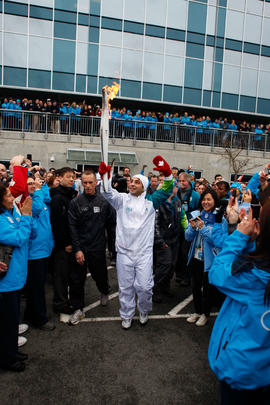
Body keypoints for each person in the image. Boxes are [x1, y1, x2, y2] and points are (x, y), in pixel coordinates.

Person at [99, 155, 173, 329]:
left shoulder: (150, 202)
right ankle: (126, 314)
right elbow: (107, 192)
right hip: (124, 252)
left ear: (144, 187)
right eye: (131, 181)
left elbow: (168, 189)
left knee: (145, 287)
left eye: (136, 182)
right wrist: (105, 177)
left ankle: (144, 310)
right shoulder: (122, 200)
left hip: (143, 254)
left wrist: (167, 173)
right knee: (125, 287)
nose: (131, 184)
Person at [208, 204, 270, 404]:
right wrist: (254, 241)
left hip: (243, 371)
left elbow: (218, 273)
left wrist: (240, 236)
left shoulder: (255, 277)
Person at [68, 170, 116, 325]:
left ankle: (104, 290)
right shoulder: (75, 203)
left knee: (100, 276)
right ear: (81, 183)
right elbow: (72, 228)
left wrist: (112, 250)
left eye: (90, 182)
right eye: (85, 183)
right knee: (77, 280)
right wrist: (77, 249)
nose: (88, 186)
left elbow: (111, 227)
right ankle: (78, 308)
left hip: (98, 249)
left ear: (96, 182)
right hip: (81, 249)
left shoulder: (104, 203)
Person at [0, 184, 32, 372]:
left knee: (12, 320)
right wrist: (26, 216)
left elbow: (26, 232)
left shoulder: (10, 213)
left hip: (16, 276)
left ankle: (11, 350)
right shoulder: (1, 220)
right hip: (6, 282)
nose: (12, 197)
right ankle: (7, 358)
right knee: (5, 323)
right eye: (8, 195)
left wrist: (24, 216)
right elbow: (20, 237)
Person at [185, 189, 225, 326]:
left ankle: (205, 314)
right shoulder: (197, 214)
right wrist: (191, 227)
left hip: (209, 260)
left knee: (207, 289)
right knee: (195, 286)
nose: (206, 202)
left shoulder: (219, 218)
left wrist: (203, 229)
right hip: (195, 257)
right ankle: (197, 311)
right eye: (204, 199)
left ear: (215, 201)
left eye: (209, 199)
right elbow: (187, 237)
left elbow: (217, 241)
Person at [23, 175, 55, 331]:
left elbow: (47, 197)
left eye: (33, 183)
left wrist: (40, 189)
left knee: (36, 286)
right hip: (34, 253)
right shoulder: (27, 201)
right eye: (28, 184)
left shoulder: (38, 197)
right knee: (36, 288)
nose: (32, 186)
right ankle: (40, 319)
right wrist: (37, 191)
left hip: (43, 250)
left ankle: (30, 315)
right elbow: (36, 208)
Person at [50, 167, 77, 316]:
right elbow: (57, 223)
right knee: (60, 276)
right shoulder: (58, 197)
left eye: (73, 177)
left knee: (68, 274)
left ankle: (65, 300)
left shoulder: (70, 194)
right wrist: (65, 243)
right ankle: (60, 303)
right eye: (68, 177)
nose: (72, 179)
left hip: (72, 241)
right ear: (59, 178)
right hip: (63, 245)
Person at [153, 185, 187, 303]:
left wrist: (187, 229)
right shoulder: (159, 202)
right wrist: (159, 240)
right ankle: (156, 289)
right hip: (163, 240)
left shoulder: (177, 201)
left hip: (175, 239)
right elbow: (155, 223)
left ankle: (165, 287)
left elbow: (182, 216)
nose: (175, 188)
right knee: (164, 265)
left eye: (176, 186)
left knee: (172, 265)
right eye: (173, 186)